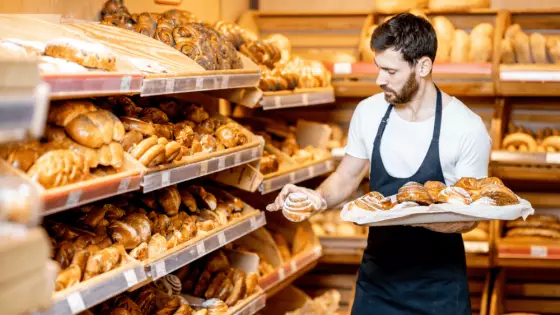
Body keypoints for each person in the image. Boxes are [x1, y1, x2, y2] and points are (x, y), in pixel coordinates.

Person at [265, 13, 491, 315]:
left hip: (439, 292)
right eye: (378, 68)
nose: (379, 79)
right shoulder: (369, 113)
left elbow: (470, 218)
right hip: (377, 286)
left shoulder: (465, 126)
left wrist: (403, 213)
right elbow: (347, 176)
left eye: (390, 71)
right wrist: (316, 198)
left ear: (423, 66)